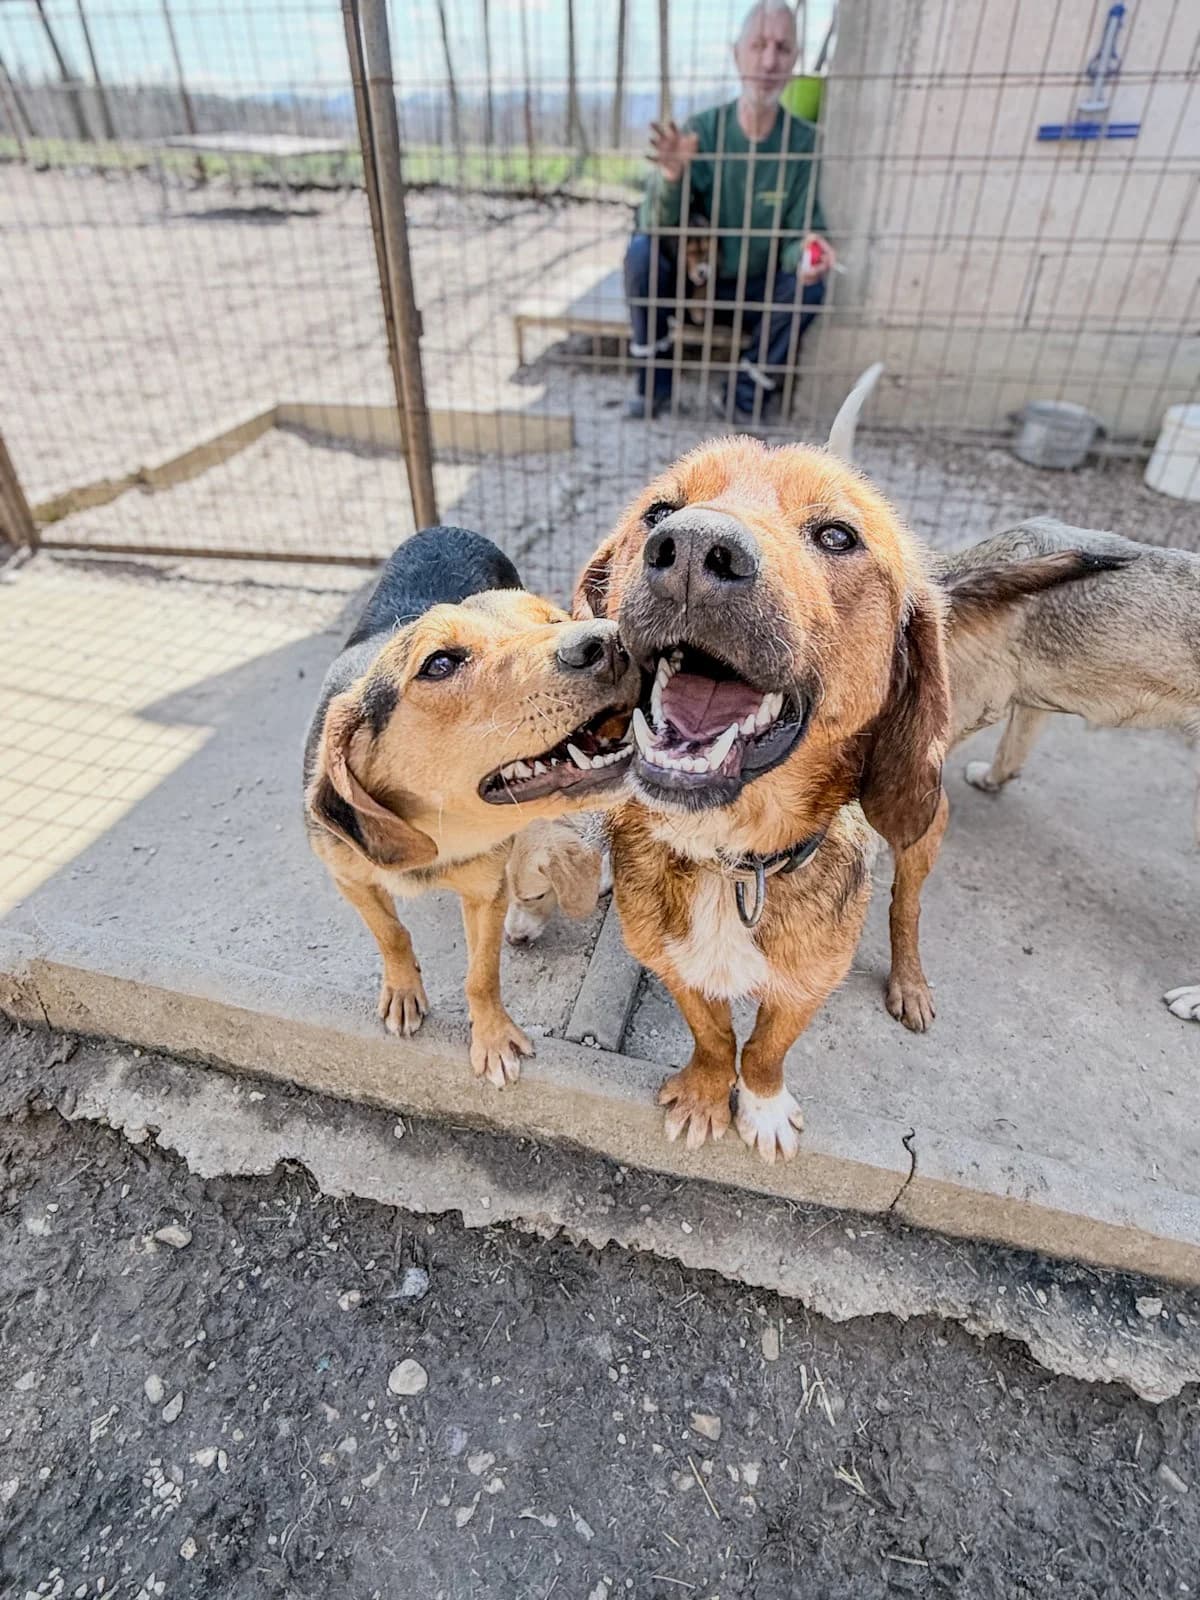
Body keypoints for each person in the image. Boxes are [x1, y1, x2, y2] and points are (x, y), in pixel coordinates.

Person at [624, 0, 835, 422]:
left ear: (795, 60)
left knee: (812, 283)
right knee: (642, 252)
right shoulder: (703, 130)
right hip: (699, 283)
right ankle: (654, 386)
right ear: (736, 53)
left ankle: (742, 395)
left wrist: (809, 253)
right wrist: (670, 177)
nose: (769, 60)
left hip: (756, 290)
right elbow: (656, 224)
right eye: (758, 45)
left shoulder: (804, 142)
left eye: (782, 47)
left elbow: (802, 232)